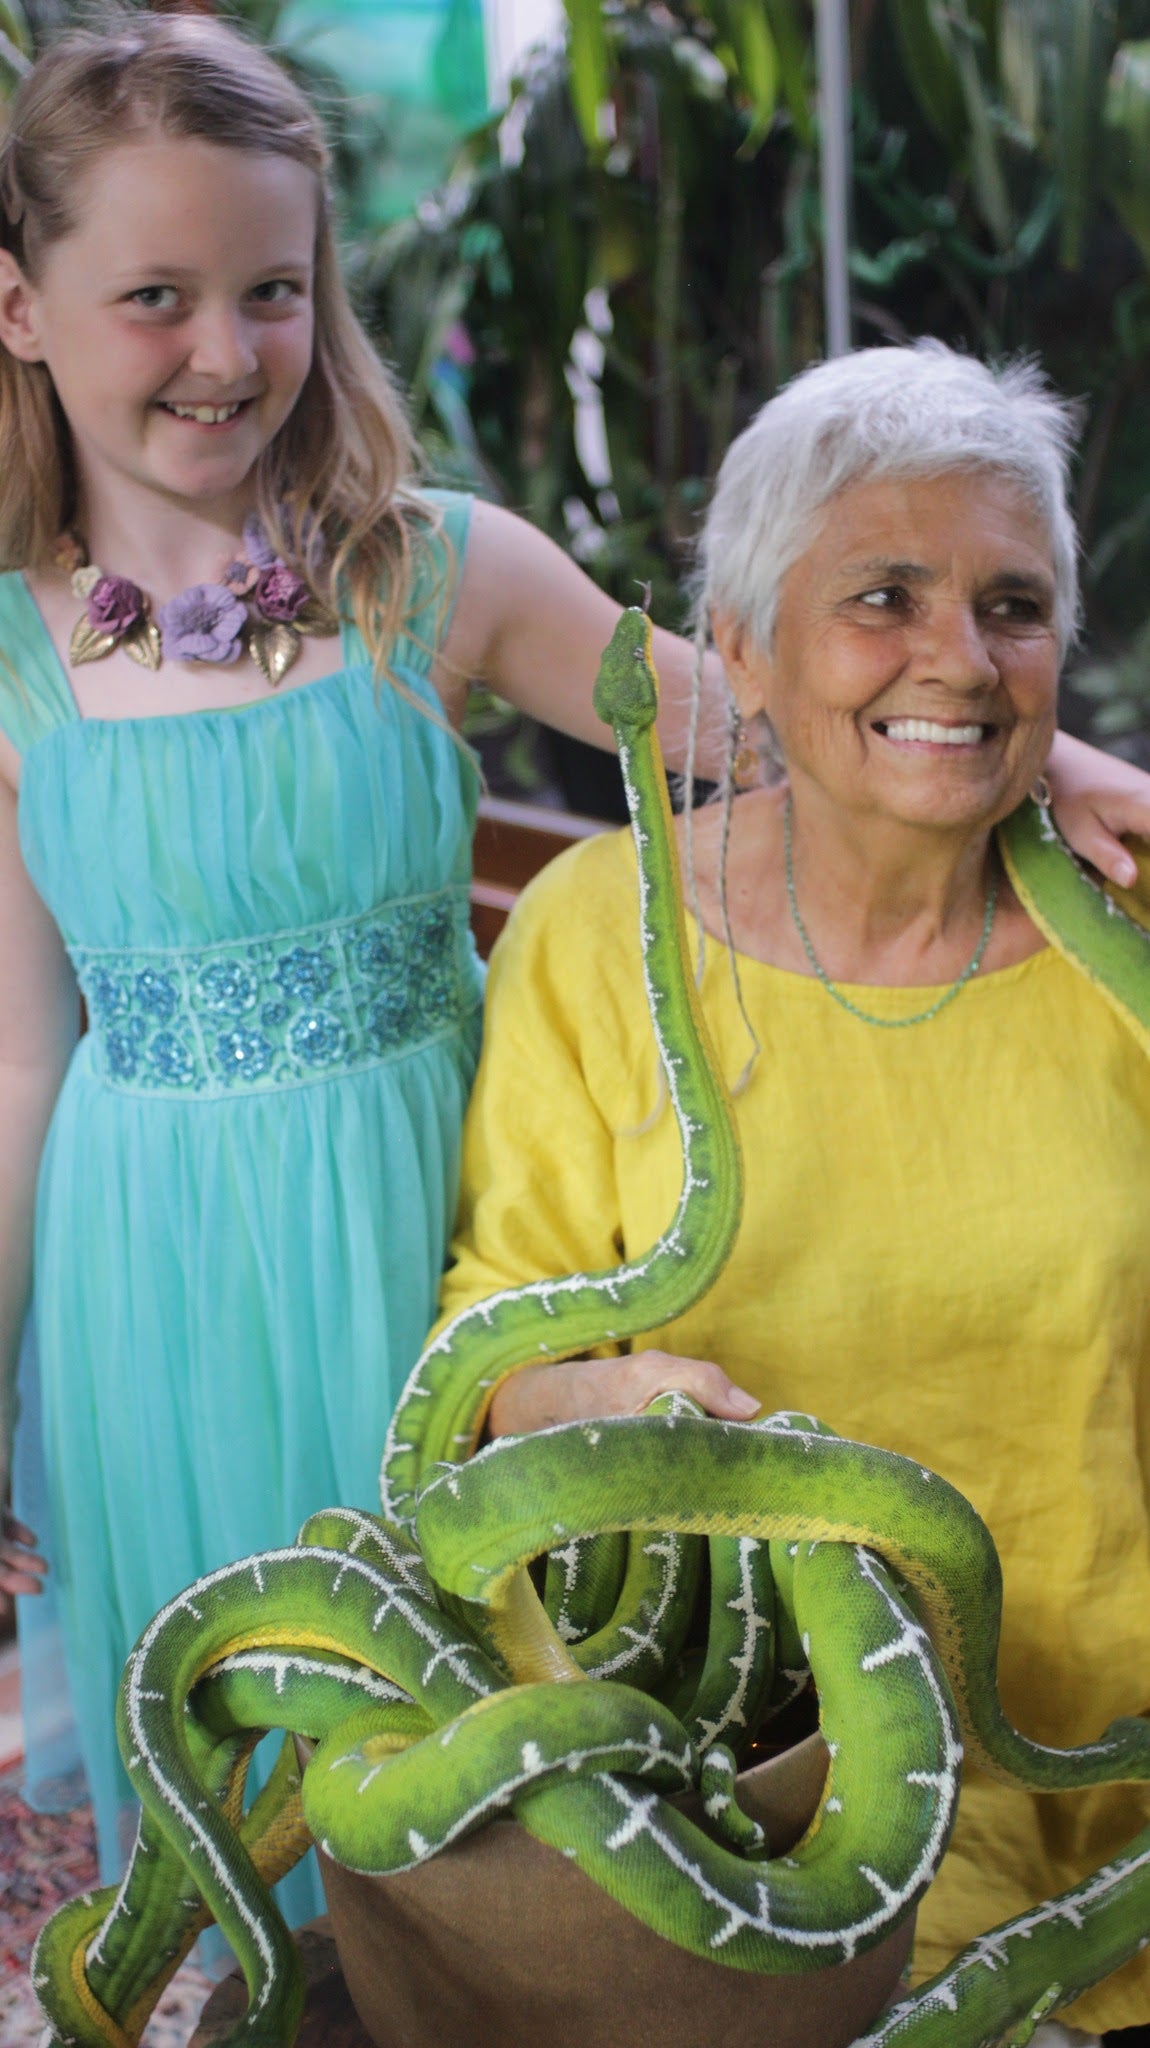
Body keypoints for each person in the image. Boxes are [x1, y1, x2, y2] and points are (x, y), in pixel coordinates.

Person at [0, 12, 1143, 1932]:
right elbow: (17, 1066)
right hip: (152, 1269)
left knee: (476, 1752)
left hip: (423, 1221)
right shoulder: (12, 667)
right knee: (237, 1740)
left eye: (273, 291)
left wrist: (1061, 749)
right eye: (157, 298)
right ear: (23, 309)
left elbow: (785, 715)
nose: (225, 351)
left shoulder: (442, 573)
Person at [437, 342, 1150, 2040]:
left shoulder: (1121, 935)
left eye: (1011, 605)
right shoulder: (602, 936)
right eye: (881, 598)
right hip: (773, 1799)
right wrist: (600, 1393)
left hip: (1118, 1757)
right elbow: (481, 1355)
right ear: (740, 651)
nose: (957, 663)